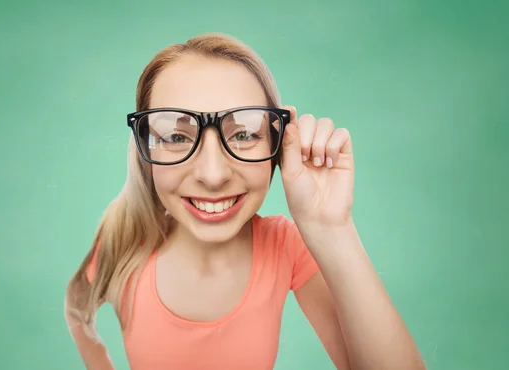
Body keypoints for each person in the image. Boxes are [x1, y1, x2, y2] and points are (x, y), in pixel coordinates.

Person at [64, 33, 426, 370]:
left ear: (278, 144)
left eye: (244, 134)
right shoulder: (124, 241)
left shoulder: (285, 247)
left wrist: (331, 227)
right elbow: (77, 311)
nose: (213, 174)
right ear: (145, 150)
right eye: (176, 135)